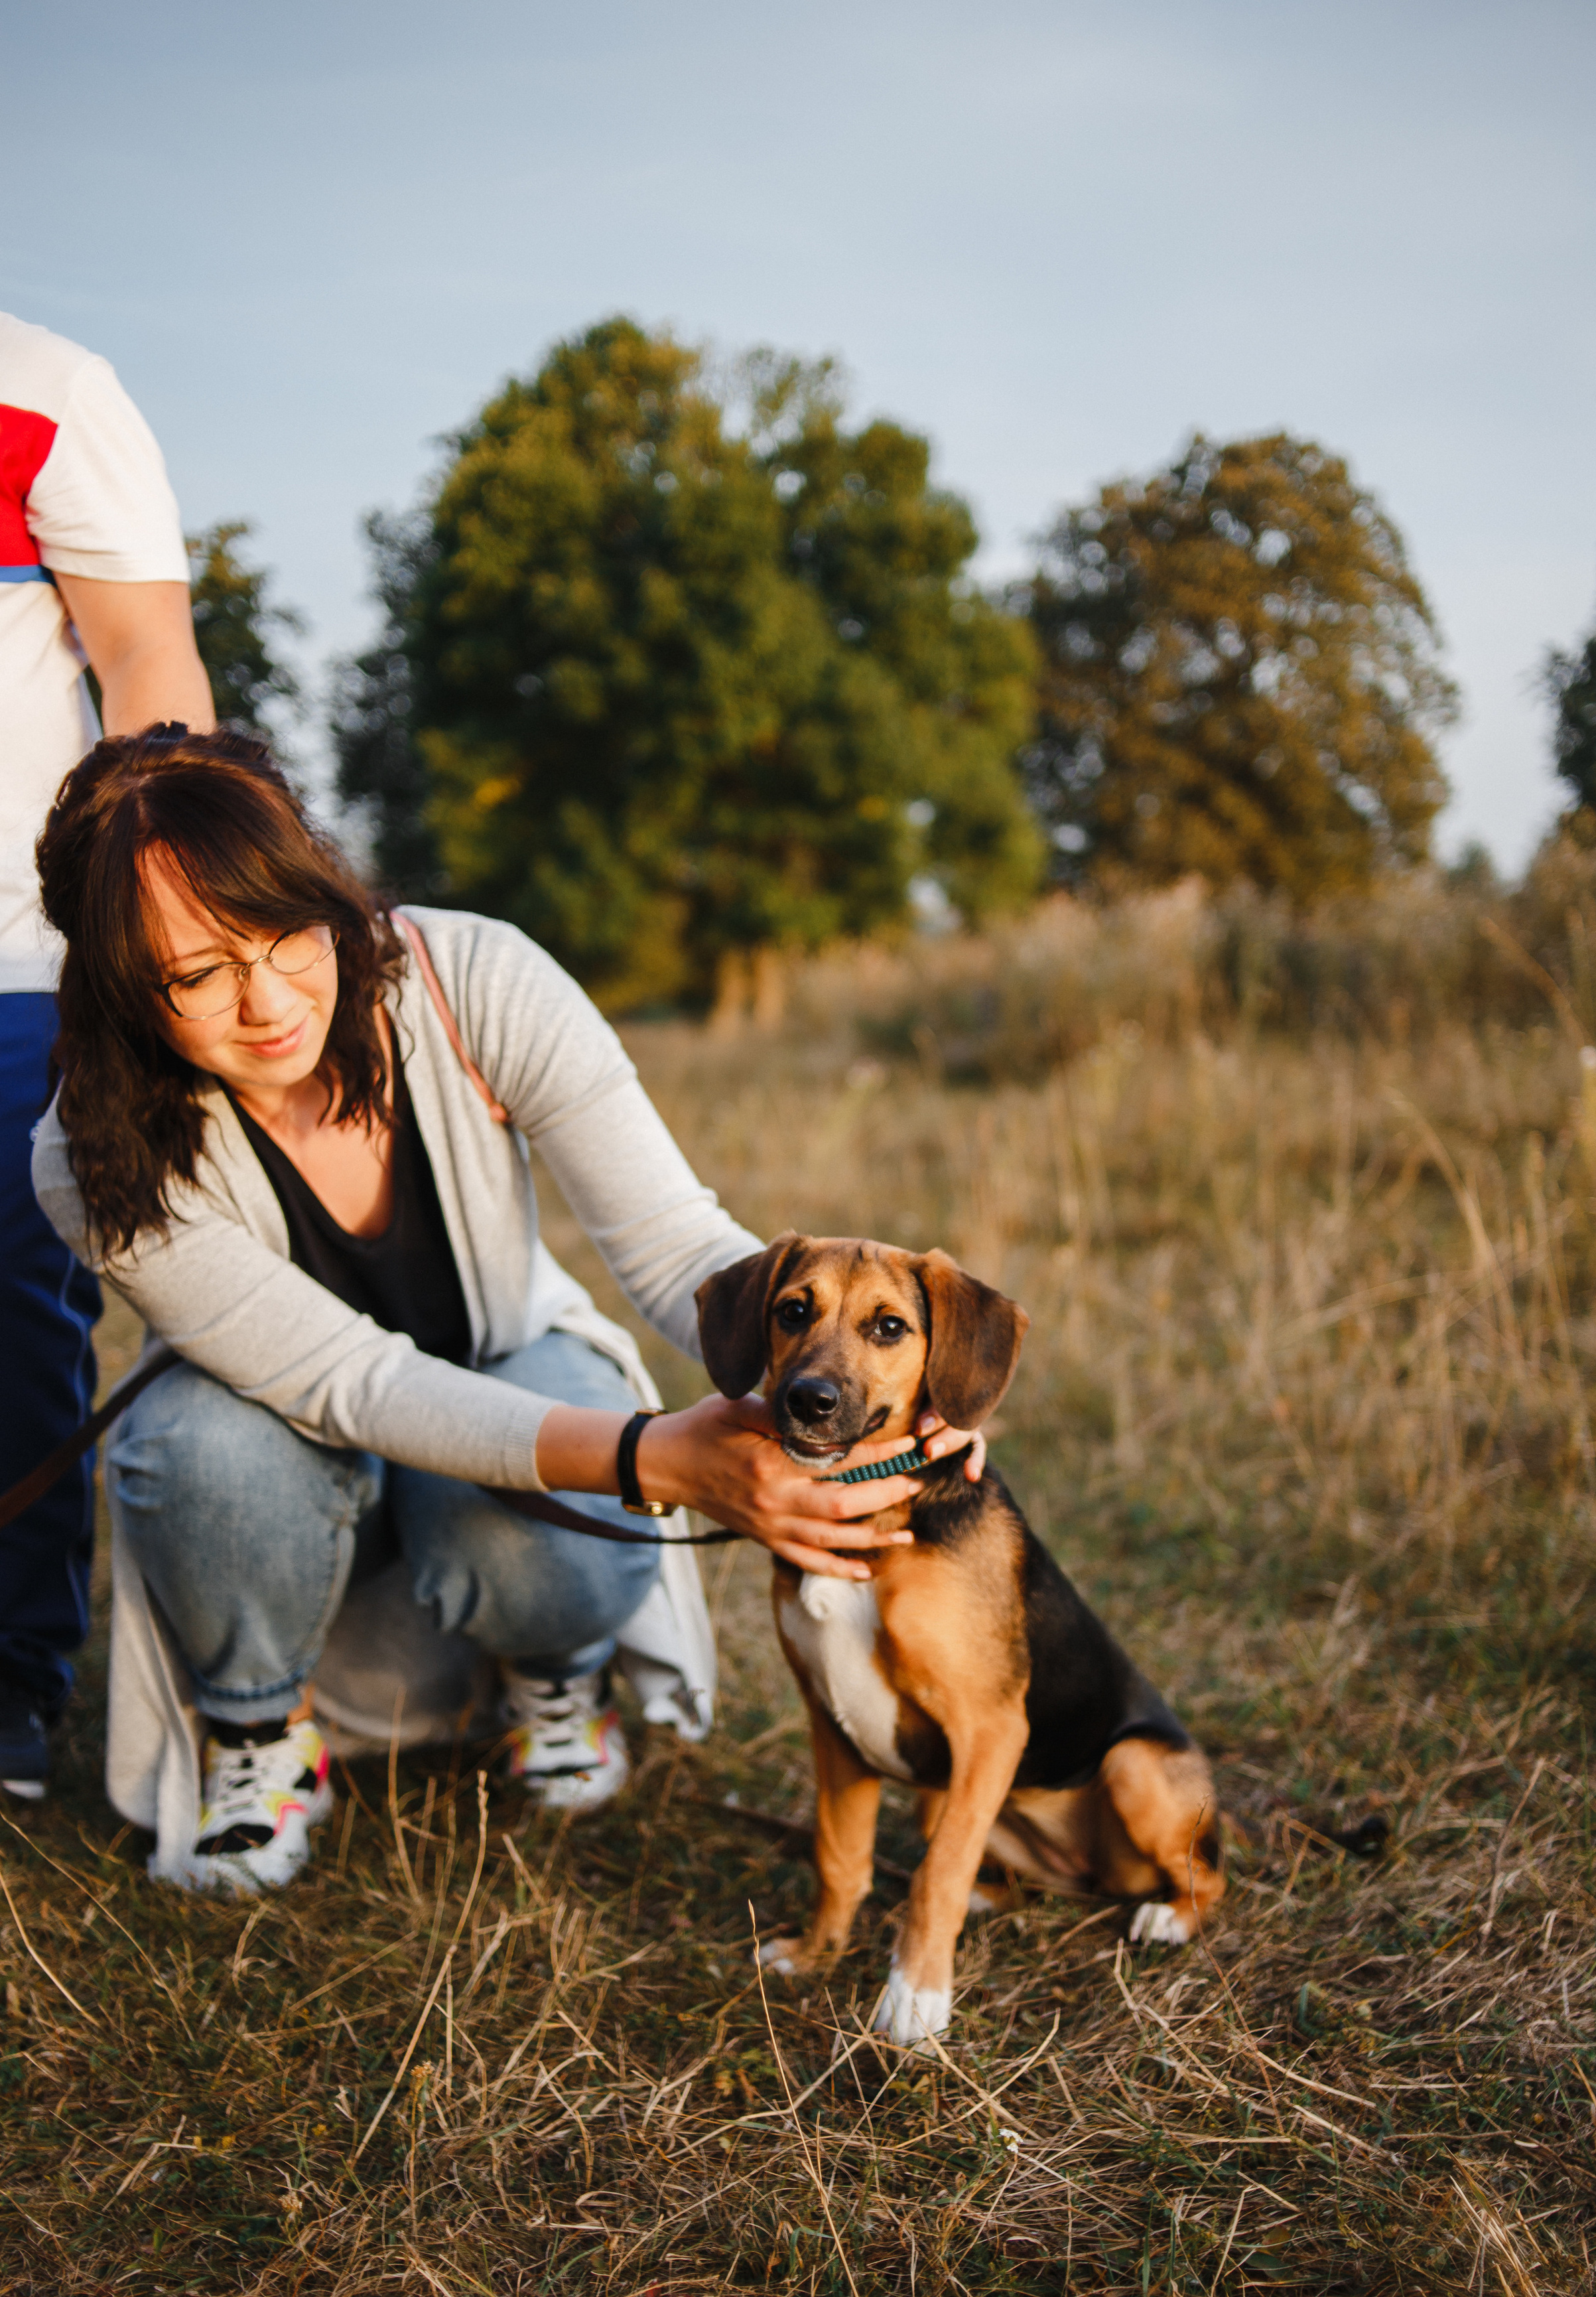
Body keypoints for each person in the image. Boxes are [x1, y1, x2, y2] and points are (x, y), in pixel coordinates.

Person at [29, 727, 977, 1890]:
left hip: (510, 1394)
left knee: (561, 1426)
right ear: (125, 991)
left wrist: (893, 1394)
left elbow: (676, 1241)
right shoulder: (88, 1159)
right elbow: (355, 1383)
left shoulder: (473, 978)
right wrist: (653, 1456)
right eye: (198, 974)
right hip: (278, 1481)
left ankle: (550, 1671)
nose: (268, 999)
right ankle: (259, 1732)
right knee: (196, 1447)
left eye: (286, 931)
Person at [1, 309, 214, 1798]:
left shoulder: (50, 391)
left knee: (15, 1321)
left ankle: (10, 1681)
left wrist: (144, 934)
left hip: (16, 960)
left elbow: (144, 653)